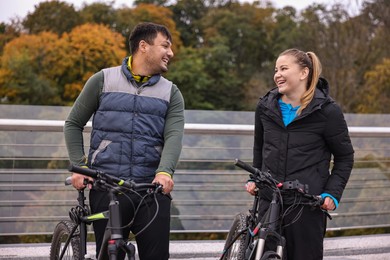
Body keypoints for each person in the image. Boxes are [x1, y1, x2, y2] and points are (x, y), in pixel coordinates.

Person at [64, 22, 185, 260]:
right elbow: (73, 124)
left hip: (150, 188)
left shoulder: (171, 92)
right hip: (107, 187)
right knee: (110, 256)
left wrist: (165, 172)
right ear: (143, 46)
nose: (170, 53)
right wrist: (81, 165)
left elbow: (174, 136)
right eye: (165, 46)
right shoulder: (102, 80)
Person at [245, 48, 354, 259]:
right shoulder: (265, 107)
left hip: (307, 204)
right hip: (270, 201)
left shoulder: (328, 112)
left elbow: (345, 157)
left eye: (284, 68)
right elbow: (260, 147)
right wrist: (255, 177)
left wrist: (331, 193)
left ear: (304, 73)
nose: (277, 74)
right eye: (276, 69)